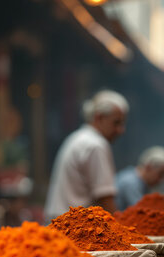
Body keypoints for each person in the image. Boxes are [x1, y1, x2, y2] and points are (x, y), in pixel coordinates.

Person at [44, 89, 129, 221]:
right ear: (99, 117)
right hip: (74, 228)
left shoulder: (78, 137)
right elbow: (105, 198)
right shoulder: (96, 145)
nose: (121, 130)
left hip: (59, 223)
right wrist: (125, 230)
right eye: (116, 123)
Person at [115, 146, 164, 211]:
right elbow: (142, 211)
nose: (161, 180)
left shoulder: (140, 182)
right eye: (161, 174)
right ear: (148, 167)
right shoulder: (131, 183)